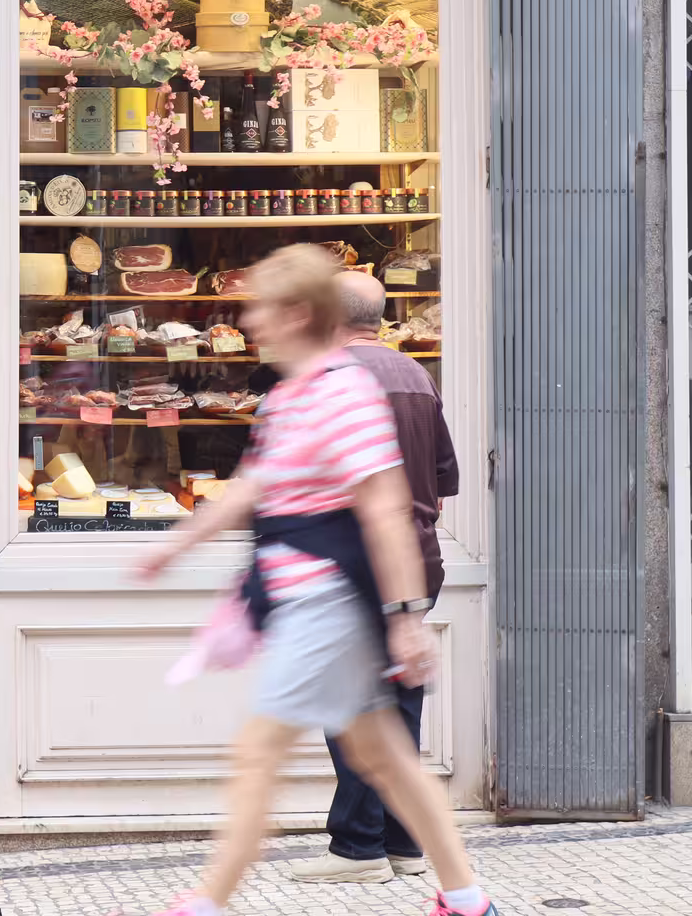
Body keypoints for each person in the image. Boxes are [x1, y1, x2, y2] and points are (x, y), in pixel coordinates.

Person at [132, 245, 494, 916]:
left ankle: (206, 903)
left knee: (256, 755)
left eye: (260, 307)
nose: (247, 321)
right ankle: (468, 900)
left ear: (297, 313)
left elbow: (385, 508)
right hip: (307, 602)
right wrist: (177, 545)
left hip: (323, 605)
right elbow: (252, 490)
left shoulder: (343, 392)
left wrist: (407, 615)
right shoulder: (294, 394)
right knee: (387, 759)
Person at [289, 268, 461, 884]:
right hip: (420, 558)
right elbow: (443, 481)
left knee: (351, 704)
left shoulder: (329, 378)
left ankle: (358, 849)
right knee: (397, 703)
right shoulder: (415, 373)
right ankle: (406, 842)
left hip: (354, 559)